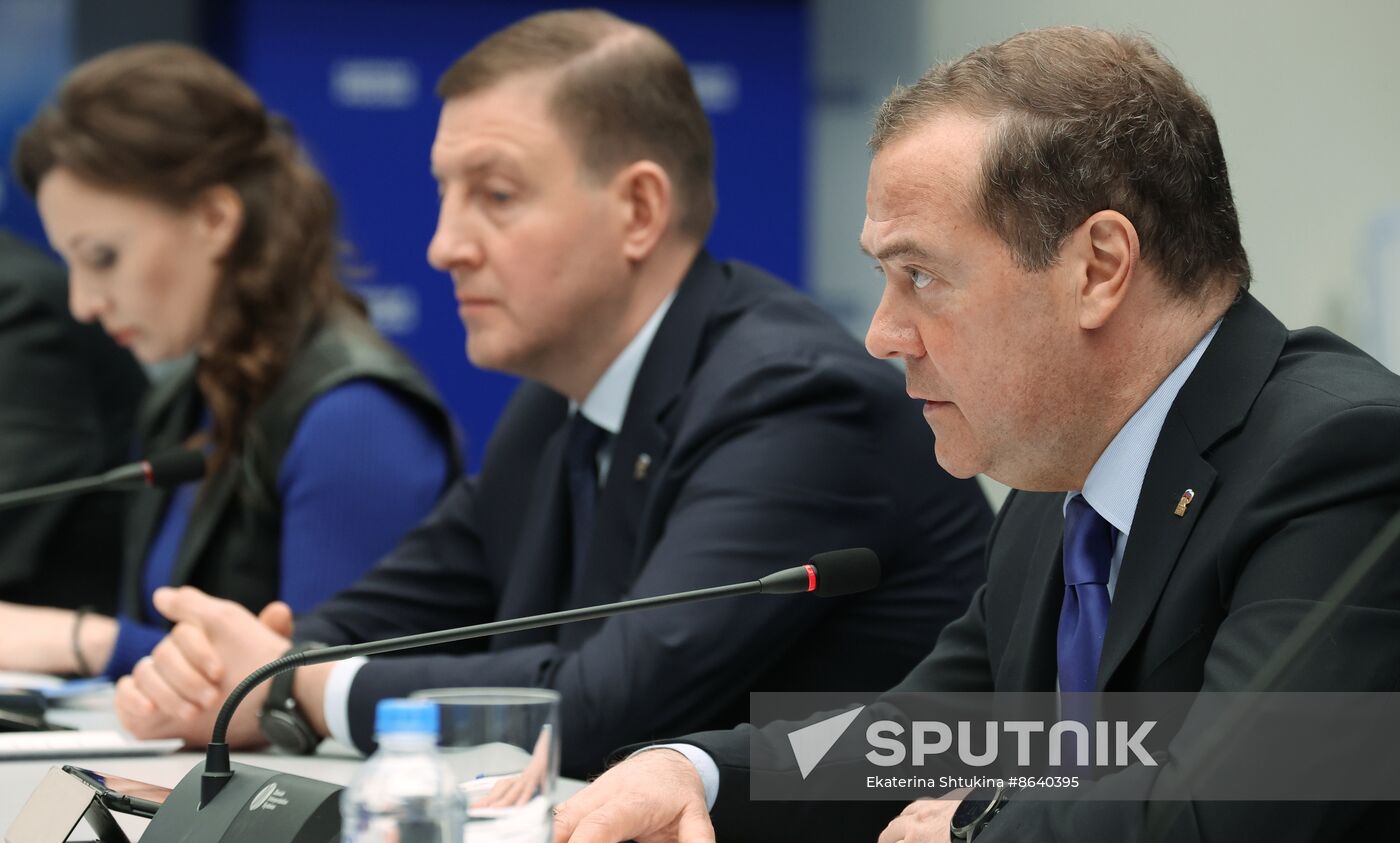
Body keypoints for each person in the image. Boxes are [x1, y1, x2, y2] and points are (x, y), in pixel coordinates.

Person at [545, 26, 1400, 843]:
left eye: (920, 276)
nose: (882, 335)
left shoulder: (1343, 459)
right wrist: (697, 773)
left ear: (1099, 268)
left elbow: (1226, 821)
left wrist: (976, 823)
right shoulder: (1057, 485)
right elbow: (922, 740)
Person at [113, 10, 992, 777]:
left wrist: (301, 685)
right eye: (445, 194)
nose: (444, 246)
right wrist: (251, 663)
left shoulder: (795, 400)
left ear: (638, 211)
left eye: (495, 195)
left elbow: (608, 704)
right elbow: (403, 607)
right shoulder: (557, 402)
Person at [1, 44, 458, 682]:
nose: (83, 303)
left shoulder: (354, 419)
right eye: (69, 263)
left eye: (102, 257)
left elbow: (322, 687)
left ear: (215, 219)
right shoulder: (184, 398)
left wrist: (89, 641)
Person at [0, 229, 147, 611]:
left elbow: (10, 501)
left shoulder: (17, 299)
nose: (83, 304)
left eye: (99, 257)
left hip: (59, 617)